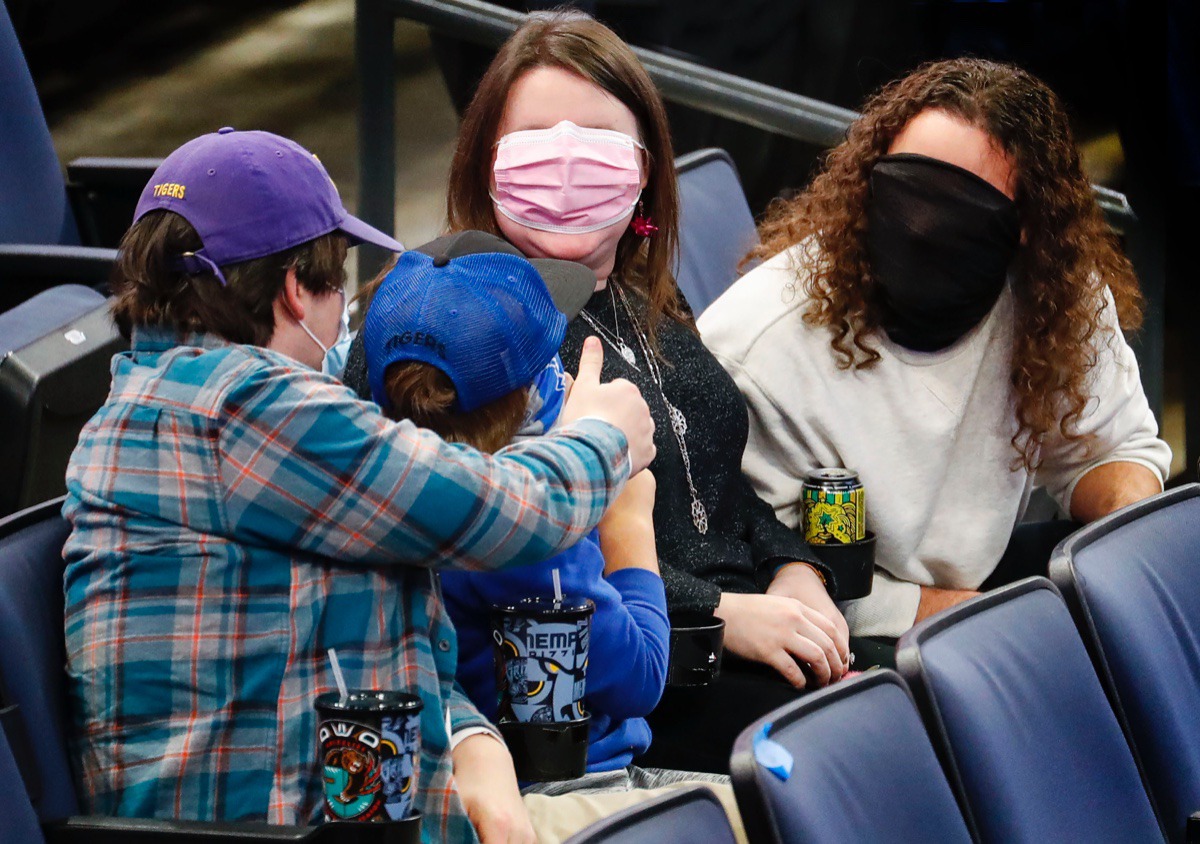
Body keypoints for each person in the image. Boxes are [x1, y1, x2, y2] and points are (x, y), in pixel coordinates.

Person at [62, 127, 658, 843]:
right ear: (293, 290)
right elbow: (511, 515)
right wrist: (604, 439)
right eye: (336, 282)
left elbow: (378, 636)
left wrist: (474, 743)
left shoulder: (142, 406)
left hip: (361, 808)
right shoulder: (246, 408)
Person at [430, 11, 856, 774]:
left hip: (747, 634)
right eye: (535, 143)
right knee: (861, 752)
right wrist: (722, 612)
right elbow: (502, 555)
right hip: (628, 683)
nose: (565, 167)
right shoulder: (457, 330)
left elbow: (723, 488)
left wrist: (796, 567)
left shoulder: (640, 299)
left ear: (644, 169)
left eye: (595, 144)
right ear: (485, 163)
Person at [698, 58, 1172, 644]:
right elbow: (774, 573)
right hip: (842, 631)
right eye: (905, 191)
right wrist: (997, 620)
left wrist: (1135, 540)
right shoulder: (760, 347)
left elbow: (1113, 450)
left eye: (961, 207)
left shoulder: (1052, 295)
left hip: (975, 585)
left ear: (1028, 226)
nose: (922, 225)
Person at [358, 231, 739, 835]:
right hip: (570, 786)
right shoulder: (530, 540)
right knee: (779, 795)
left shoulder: (390, 485)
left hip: (529, 773)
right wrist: (626, 524)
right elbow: (640, 678)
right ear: (535, 393)